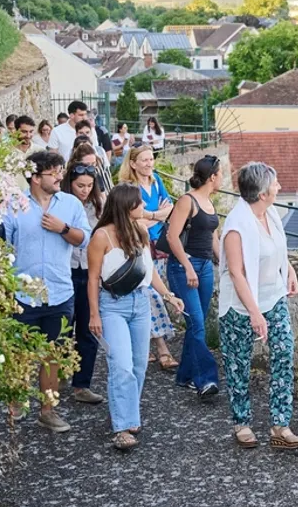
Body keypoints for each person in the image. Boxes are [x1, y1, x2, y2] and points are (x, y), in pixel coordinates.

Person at [87, 184, 184, 451]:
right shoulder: (101, 237)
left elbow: (147, 269)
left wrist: (167, 295)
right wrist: (94, 314)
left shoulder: (139, 231)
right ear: (126, 207)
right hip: (112, 304)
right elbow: (93, 278)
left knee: (139, 365)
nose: (143, 207)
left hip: (140, 303)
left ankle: (126, 414)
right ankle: (122, 426)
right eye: (139, 203)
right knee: (121, 364)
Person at [3, 151, 92, 433]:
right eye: (54, 172)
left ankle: (48, 410)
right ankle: (14, 406)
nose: (60, 177)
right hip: (21, 295)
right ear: (36, 176)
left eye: (60, 171)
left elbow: (83, 239)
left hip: (59, 291)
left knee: (53, 355)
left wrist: (62, 228)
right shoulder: (13, 205)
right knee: (18, 354)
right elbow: (3, 247)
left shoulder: (70, 204)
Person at [218, 162, 298, 450]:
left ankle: (280, 425)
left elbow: (277, 247)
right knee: (239, 364)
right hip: (240, 306)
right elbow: (236, 272)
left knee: (283, 353)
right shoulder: (236, 226)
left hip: (274, 297)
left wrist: (288, 270)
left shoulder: (271, 214)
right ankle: (241, 423)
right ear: (263, 192)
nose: (279, 187)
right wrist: (254, 312)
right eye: (275, 184)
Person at [165, 156, 222, 398]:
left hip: (206, 266)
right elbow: (172, 236)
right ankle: (205, 380)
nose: (221, 178)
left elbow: (213, 237)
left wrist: (225, 265)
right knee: (197, 323)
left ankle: (185, 376)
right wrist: (188, 266)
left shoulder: (209, 202)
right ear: (212, 177)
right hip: (182, 267)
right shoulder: (187, 201)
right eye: (220, 174)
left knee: (195, 324)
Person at [118, 145, 178, 369]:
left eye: (151, 159)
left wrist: (149, 217)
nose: (149, 163)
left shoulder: (156, 181)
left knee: (152, 294)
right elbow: (134, 223)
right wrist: (157, 216)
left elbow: (169, 208)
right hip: (138, 244)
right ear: (133, 163)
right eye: (144, 160)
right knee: (151, 294)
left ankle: (142, 345)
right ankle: (162, 348)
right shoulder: (129, 188)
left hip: (158, 244)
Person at [63, 163, 106, 405]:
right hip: (66, 269)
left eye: (89, 186)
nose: (85, 190)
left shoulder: (98, 204)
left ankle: (82, 384)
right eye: (80, 185)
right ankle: (56, 378)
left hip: (90, 269)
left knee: (89, 329)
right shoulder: (61, 203)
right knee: (62, 328)